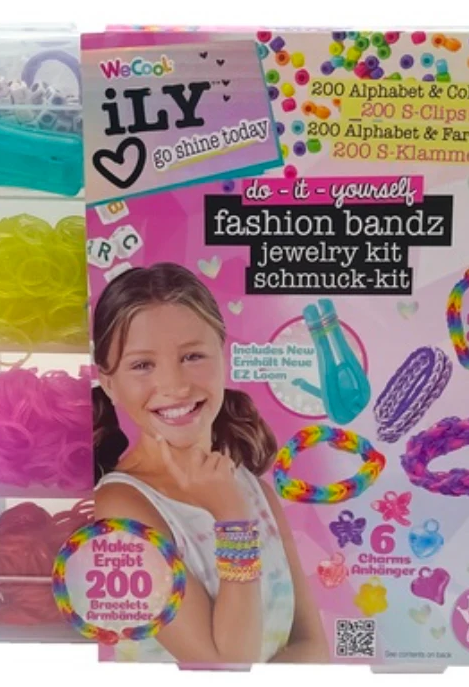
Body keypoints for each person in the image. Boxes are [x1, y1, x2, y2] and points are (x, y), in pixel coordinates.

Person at [92, 262, 329, 664]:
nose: (175, 385)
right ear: (109, 383)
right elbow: (224, 668)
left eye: (193, 356)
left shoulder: (252, 487)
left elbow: (315, 648)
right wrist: (231, 518)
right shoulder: (119, 509)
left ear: (223, 357)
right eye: (142, 365)